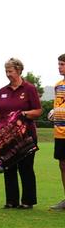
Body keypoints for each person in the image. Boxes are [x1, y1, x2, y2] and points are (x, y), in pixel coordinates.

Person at [0, 58, 42, 209]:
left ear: (18, 71)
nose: (8, 74)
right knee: (8, 167)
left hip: (26, 136)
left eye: (10, 71)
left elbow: (38, 111)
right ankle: (11, 200)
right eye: (6, 71)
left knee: (26, 167)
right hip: (7, 136)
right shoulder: (2, 91)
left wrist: (24, 114)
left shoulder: (29, 89)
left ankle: (28, 201)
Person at [50, 54, 65, 211]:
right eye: (59, 64)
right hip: (59, 132)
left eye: (62, 64)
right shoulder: (58, 85)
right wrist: (54, 111)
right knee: (62, 164)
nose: (59, 67)